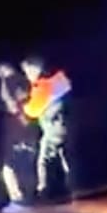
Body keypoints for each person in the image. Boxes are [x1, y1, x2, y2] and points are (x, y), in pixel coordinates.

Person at [19, 55, 72, 200]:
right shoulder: (59, 79)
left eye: (28, 71)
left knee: (45, 160)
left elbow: (33, 111)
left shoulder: (42, 86)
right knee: (64, 158)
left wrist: (24, 105)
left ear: (35, 68)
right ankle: (68, 189)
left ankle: (46, 192)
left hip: (54, 128)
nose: (27, 76)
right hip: (66, 125)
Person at [0, 62, 39, 205]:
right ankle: (27, 198)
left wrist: (3, 83)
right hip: (24, 135)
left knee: (13, 168)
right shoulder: (21, 82)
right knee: (22, 168)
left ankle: (21, 199)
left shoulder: (14, 82)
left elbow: (10, 102)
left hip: (22, 136)